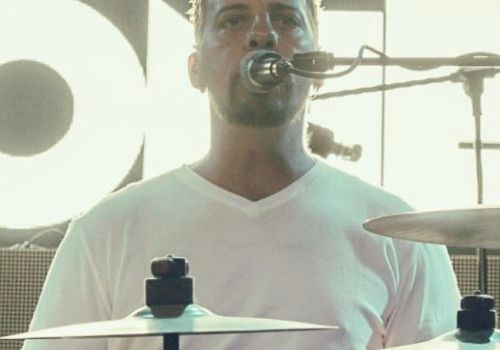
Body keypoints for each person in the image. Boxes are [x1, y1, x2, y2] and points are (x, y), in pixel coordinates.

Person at [23, 0, 461, 349]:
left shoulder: (397, 234)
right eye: (233, 20)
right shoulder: (105, 231)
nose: (262, 34)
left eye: (286, 18)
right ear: (194, 69)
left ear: (320, 65)